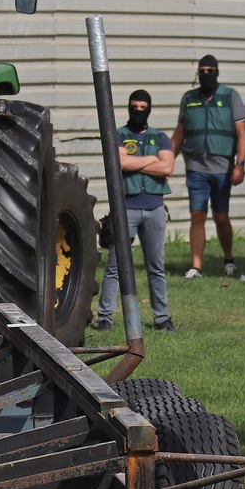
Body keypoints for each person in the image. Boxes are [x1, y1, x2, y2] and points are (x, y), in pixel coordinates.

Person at [97, 89, 176, 333]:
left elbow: (168, 168)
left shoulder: (160, 137)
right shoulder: (118, 135)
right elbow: (122, 163)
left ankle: (161, 318)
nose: (138, 112)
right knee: (116, 266)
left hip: (154, 208)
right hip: (126, 208)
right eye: (134, 107)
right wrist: (153, 160)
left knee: (156, 266)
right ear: (129, 107)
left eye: (143, 108)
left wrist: (139, 165)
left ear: (149, 109)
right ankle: (105, 318)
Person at [171, 54, 245, 279]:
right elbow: (179, 134)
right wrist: (166, 163)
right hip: (196, 168)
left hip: (223, 168)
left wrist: (240, 164)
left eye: (210, 70)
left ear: (217, 71)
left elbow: (242, 133)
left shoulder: (231, 96)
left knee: (221, 217)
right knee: (197, 215)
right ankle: (196, 267)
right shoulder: (189, 98)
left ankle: (229, 260)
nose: (206, 75)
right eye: (202, 71)